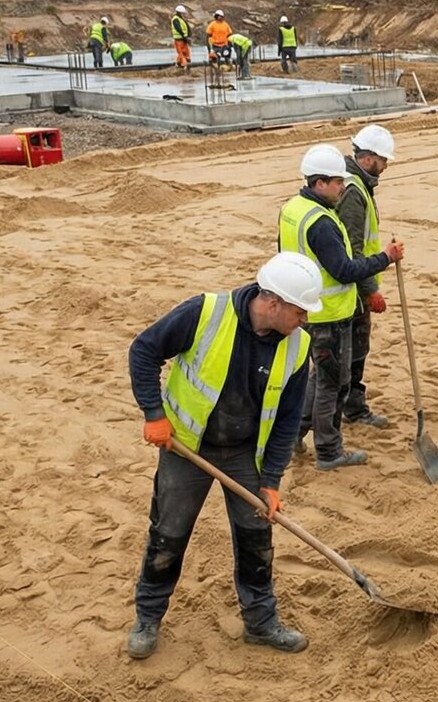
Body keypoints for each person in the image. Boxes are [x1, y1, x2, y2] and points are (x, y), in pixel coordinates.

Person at [125, 251, 323, 659]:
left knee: (257, 540)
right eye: (300, 312)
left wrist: (270, 481)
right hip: (187, 447)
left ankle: (260, 622)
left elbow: (287, 421)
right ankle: (148, 617)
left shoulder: (297, 348)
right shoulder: (205, 313)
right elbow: (143, 351)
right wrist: (153, 413)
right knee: (168, 535)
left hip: (245, 455)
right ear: (272, 303)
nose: (305, 321)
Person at [279, 145, 404, 469]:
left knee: (318, 379)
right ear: (319, 183)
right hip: (329, 315)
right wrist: (385, 258)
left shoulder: (293, 208)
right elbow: (344, 269)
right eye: (337, 182)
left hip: (307, 309)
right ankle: (329, 451)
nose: (343, 187)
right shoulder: (321, 222)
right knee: (332, 386)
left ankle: (294, 434)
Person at [338, 125, 397, 428]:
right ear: (368, 157)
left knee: (355, 351)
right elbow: (353, 248)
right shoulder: (352, 191)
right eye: (383, 160)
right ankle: (350, 410)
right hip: (349, 288)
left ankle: (353, 406)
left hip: (353, 285)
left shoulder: (359, 184)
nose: (385, 166)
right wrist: (370, 289)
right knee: (345, 356)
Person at [170, 4, 193, 72]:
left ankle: (179, 64)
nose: (184, 14)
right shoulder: (176, 19)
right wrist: (185, 36)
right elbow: (178, 28)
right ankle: (184, 65)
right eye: (183, 13)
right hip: (179, 39)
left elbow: (186, 28)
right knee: (181, 53)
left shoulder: (181, 19)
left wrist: (188, 37)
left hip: (183, 39)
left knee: (186, 52)